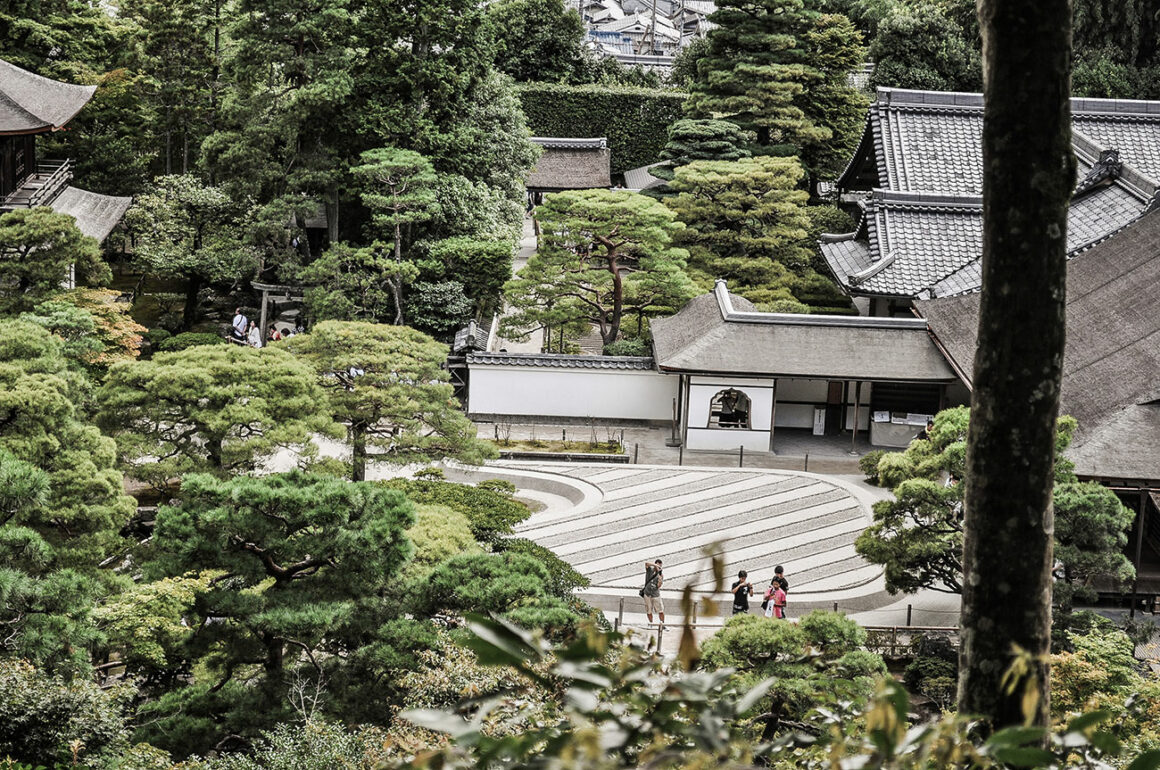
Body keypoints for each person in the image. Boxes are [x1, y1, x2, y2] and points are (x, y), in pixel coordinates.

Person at [642, 559, 664, 626]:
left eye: (660, 566)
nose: (658, 567)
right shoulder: (650, 570)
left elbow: (658, 586)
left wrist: (660, 580)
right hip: (647, 594)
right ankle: (651, 623)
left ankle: (662, 624)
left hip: (655, 594)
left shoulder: (661, 575)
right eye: (657, 565)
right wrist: (655, 565)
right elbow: (646, 563)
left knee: (660, 610)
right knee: (649, 610)